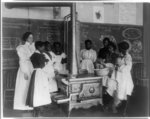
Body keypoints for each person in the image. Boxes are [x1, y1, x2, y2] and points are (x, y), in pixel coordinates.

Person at [26, 41, 51, 117]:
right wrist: (46, 62)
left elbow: (35, 63)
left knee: (36, 90)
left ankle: (36, 108)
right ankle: (38, 110)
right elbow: (42, 66)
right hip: (40, 73)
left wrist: (44, 60)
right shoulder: (39, 55)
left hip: (35, 73)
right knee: (40, 91)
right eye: (43, 47)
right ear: (39, 47)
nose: (44, 48)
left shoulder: (33, 55)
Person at [13, 32, 35, 110]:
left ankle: (30, 105)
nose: (31, 39)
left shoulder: (33, 47)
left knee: (30, 86)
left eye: (32, 37)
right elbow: (22, 61)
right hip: (25, 68)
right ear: (26, 38)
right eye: (29, 37)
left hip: (31, 68)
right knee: (24, 86)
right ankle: (22, 106)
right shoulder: (21, 47)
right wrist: (25, 72)